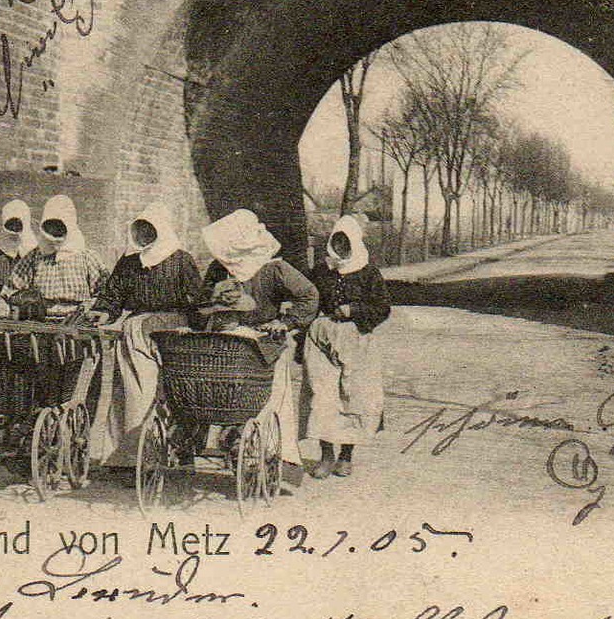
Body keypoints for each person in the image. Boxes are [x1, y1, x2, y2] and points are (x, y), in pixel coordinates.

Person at [87, 203, 204, 467]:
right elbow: (112, 294)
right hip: (137, 331)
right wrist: (104, 311)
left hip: (173, 331)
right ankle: (130, 457)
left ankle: (179, 448)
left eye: (150, 230)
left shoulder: (180, 259)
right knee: (131, 391)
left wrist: (194, 327)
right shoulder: (129, 262)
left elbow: (197, 300)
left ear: (161, 230)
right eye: (140, 230)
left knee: (175, 390)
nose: (144, 236)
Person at [199, 209, 319, 468]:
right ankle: (225, 439)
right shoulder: (220, 267)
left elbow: (309, 295)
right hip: (226, 337)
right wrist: (215, 295)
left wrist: (284, 323)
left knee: (271, 396)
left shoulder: (274, 268)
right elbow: (201, 297)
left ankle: (271, 452)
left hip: (262, 339)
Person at [304, 215, 391, 479]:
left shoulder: (369, 273)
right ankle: (326, 455)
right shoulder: (321, 272)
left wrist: (353, 310)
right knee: (323, 396)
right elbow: (308, 300)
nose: (340, 249)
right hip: (323, 339)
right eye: (336, 243)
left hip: (357, 341)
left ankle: (346, 456)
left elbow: (383, 308)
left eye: (346, 244)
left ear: (355, 242)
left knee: (353, 397)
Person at [0, 195, 107, 322]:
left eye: (59, 226)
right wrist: (3, 304)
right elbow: (11, 288)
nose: (55, 232)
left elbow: (103, 293)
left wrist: (88, 307)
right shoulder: (35, 257)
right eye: (50, 227)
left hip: (77, 322)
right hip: (42, 322)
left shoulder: (87, 257)